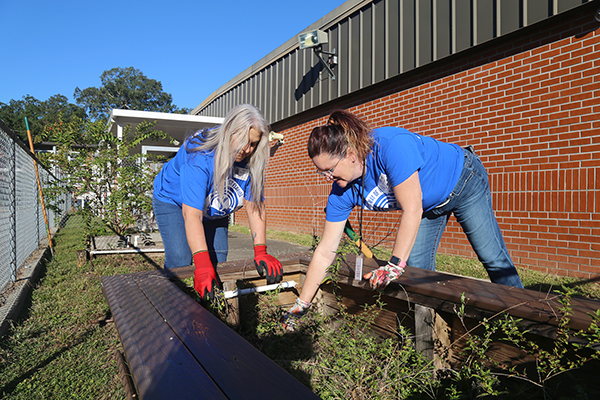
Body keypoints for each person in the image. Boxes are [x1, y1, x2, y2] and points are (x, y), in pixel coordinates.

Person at [283, 109, 523, 329]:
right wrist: (302, 303)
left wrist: (394, 265)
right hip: (427, 204)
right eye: (320, 171)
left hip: (463, 179)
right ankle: (427, 340)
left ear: (350, 155)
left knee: (491, 257)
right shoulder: (341, 190)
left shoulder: (391, 146)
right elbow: (325, 251)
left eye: (329, 169)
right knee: (417, 271)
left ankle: (522, 322)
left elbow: (412, 209)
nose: (327, 177)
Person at [153, 104, 282, 303]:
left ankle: (209, 312)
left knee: (219, 264)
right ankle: (170, 308)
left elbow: (254, 207)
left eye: (253, 144)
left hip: (214, 207)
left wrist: (261, 251)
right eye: (243, 140)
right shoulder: (200, 154)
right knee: (182, 259)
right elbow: (192, 215)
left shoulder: (252, 160)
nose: (246, 149)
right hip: (175, 203)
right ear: (229, 129)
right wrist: (202, 263)